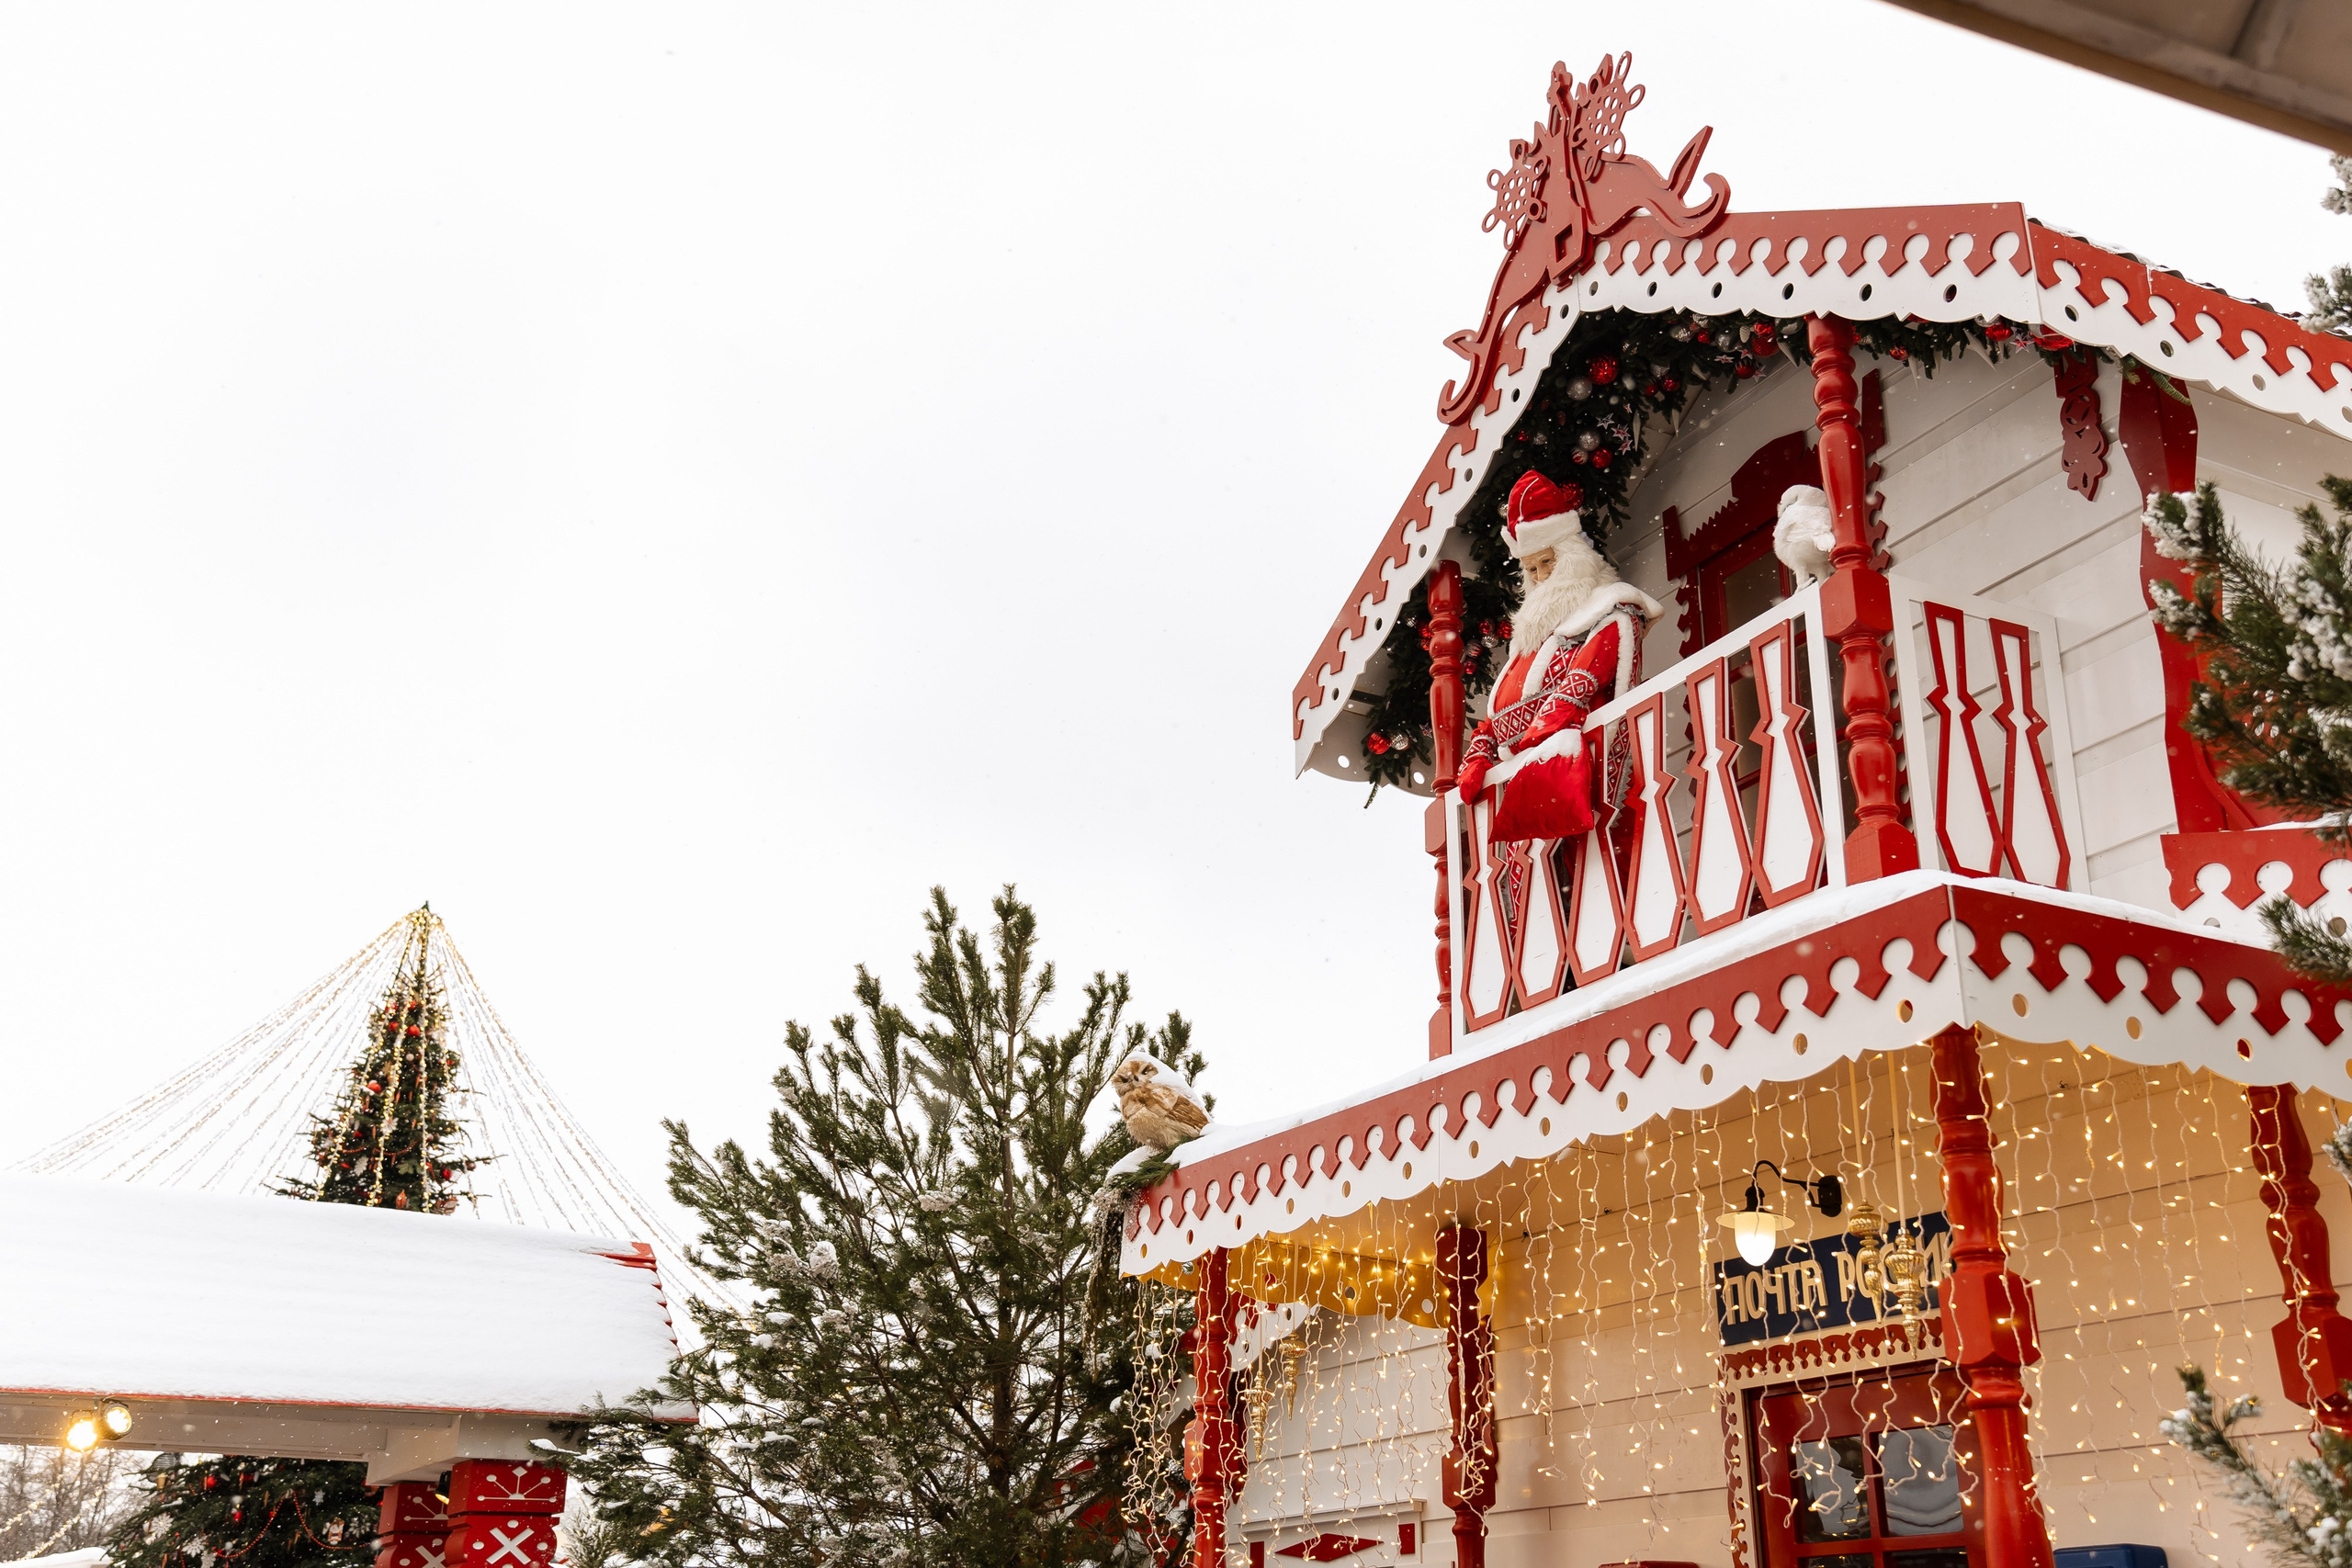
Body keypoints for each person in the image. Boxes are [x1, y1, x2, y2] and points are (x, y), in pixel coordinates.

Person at [1455, 470, 1662, 841]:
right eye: (1531, 569)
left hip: (1573, 774)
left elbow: (1579, 684)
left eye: (1547, 563)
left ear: (1570, 557)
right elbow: (1499, 710)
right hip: (1531, 780)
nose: (1540, 577)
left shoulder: (1608, 608)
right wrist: (1480, 750)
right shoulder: (1534, 637)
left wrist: (1539, 731)